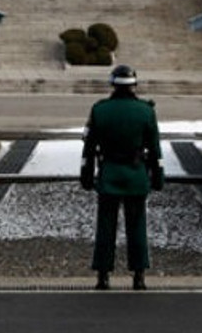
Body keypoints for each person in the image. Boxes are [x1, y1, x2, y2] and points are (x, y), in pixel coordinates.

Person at [80, 64, 163, 291]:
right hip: (136, 175)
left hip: (109, 174)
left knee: (105, 226)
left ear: (112, 84)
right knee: (137, 226)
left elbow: (88, 148)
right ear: (134, 84)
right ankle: (138, 275)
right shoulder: (146, 111)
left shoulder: (100, 110)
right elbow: (155, 150)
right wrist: (158, 177)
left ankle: (103, 275)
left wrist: (86, 175)